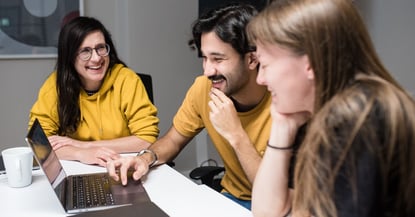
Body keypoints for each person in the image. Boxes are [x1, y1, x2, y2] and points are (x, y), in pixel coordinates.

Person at [246, 0, 415, 216]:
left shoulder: (359, 118)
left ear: (309, 64)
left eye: (265, 65)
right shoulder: (309, 115)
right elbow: (266, 211)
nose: (260, 79)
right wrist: (282, 127)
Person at [106, 4, 271, 210]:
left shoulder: (285, 101)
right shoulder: (203, 88)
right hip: (228, 199)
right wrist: (145, 158)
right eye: (204, 58)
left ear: (252, 59)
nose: (207, 71)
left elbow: (275, 196)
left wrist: (235, 134)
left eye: (218, 59)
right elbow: (173, 141)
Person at [28, 16, 159, 167]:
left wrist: (82, 145)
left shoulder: (127, 79)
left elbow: (147, 139)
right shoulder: (55, 85)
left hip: (122, 166)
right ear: (70, 56)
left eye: (100, 48)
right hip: (75, 168)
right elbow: (38, 144)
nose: (96, 58)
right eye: (85, 51)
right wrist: (79, 153)